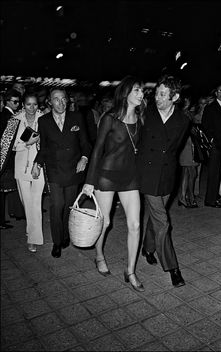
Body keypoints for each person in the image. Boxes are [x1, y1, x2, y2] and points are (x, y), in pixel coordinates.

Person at [82, 76, 145, 292]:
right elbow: (97, 150)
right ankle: (99, 254)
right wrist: (89, 181)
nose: (141, 94)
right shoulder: (109, 118)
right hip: (106, 175)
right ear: (126, 92)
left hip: (130, 177)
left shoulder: (140, 119)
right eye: (137, 90)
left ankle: (131, 270)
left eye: (142, 91)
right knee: (105, 222)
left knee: (135, 224)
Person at [137, 74, 189, 288]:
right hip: (147, 174)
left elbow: (174, 149)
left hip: (168, 175)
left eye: (162, 94)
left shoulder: (184, 120)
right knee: (163, 221)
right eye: (156, 93)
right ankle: (172, 268)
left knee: (156, 219)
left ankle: (147, 248)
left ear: (174, 97)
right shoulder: (146, 114)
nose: (156, 97)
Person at [32, 88, 91, 258]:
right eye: (56, 99)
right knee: (57, 205)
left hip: (74, 168)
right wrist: (37, 163)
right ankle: (57, 242)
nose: (61, 103)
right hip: (55, 168)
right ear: (50, 102)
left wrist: (84, 158)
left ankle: (65, 234)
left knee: (68, 206)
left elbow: (86, 143)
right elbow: (44, 148)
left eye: (63, 99)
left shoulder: (77, 118)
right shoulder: (44, 121)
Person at [13, 93, 45, 252]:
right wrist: (27, 143)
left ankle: (33, 239)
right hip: (20, 167)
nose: (32, 108)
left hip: (38, 166)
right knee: (27, 204)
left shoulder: (44, 118)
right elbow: (11, 147)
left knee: (35, 203)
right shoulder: (15, 120)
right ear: (23, 105)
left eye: (35, 104)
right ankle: (30, 231)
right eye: (28, 104)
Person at [202, 84, 221, 208]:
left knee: (218, 172)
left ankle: (215, 197)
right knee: (213, 173)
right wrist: (212, 139)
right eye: (220, 91)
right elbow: (205, 125)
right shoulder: (211, 107)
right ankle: (209, 200)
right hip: (215, 145)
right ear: (216, 93)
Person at [0, 89, 25, 230]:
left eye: (18, 101)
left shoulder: (7, 115)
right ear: (7, 101)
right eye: (14, 101)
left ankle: (2, 220)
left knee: (3, 191)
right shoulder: (9, 117)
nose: (17, 104)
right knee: (2, 191)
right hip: (7, 159)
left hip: (6, 158)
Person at [178, 96, 199, 208]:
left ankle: (183, 197)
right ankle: (189, 196)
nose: (188, 100)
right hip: (185, 145)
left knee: (188, 172)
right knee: (190, 171)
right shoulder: (180, 113)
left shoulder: (189, 113)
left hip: (190, 144)